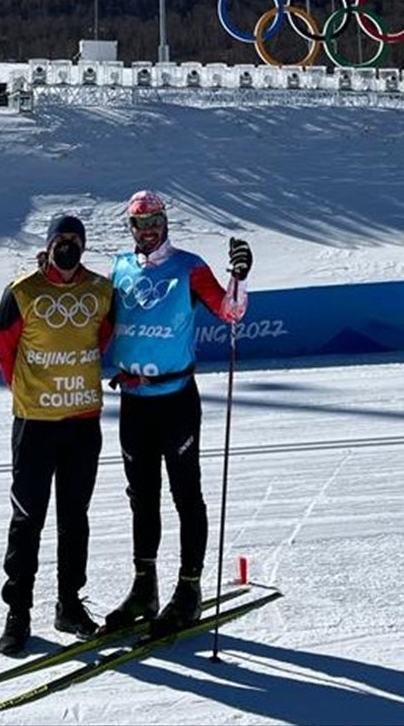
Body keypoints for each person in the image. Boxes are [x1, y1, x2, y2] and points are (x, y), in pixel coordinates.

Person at [104, 190, 253, 635]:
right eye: (140, 223)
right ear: (131, 227)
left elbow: (230, 312)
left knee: (186, 494)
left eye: (155, 222)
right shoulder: (119, 267)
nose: (149, 230)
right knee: (142, 496)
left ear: (165, 222)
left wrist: (238, 277)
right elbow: (101, 322)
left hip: (176, 401)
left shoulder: (189, 267)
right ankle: (144, 587)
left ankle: (189, 590)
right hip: (134, 401)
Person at [0, 215, 116, 656]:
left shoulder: (100, 291)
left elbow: (102, 341)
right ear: (47, 245)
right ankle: (18, 612)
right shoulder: (21, 291)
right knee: (27, 518)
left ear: (84, 245)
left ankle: (69, 604)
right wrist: (33, 394)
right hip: (35, 425)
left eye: (75, 240)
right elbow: (4, 351)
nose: (68, 246)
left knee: (74, 517)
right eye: (60, 239)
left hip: (82, 422)